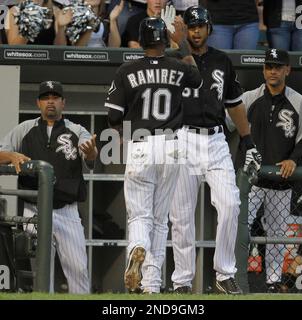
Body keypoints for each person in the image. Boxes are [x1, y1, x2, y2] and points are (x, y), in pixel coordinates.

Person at [155, 5, 261, 294]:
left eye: (200, 26)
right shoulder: (172, 58)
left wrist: (248, 139)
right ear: (185, 30)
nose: (196, 31)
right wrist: (175, 42)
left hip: (215, 140)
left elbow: (235, 103)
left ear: (209, 28)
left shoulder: (222, 61)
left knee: (230, 205)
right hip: (183, 138)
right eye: (191, 26)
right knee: (181, 215)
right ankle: (182, 281)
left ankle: (224, 273)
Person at [104, 16, 202, 294]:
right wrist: (181, 43)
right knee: (160, 220)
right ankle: (151, 284)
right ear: (162, 40)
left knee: (139, 217)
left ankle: (138, 248)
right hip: (171, 145)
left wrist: (126, 134)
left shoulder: (127, 69)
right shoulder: (177, 65)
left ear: (142, 40)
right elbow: (197, 79)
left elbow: (113, 115)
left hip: (141, 143)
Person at [0, 80, 98, 293]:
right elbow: (0, 155)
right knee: (42, 275)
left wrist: (91, 152)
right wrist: (11, 155)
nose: (50, 102)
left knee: (79, 270)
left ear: (64, 103)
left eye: (55, 98)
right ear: (38, 103)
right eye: (46, 98)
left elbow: (89, 156)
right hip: (34, 211)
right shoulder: (24, 129)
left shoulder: (76, 129)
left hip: (67, 211)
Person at [238, 49, 302, 292]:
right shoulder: (249, 98)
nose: (273, 71)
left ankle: (274, 282)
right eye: (269, 66)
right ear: (263, 69)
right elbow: (230, 121)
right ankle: (234, 278)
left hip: (281, 179)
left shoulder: (299, 102)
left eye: (278, 66)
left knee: (277, 234)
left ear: (288, 69)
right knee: (239, 227)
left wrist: (293, 159)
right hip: (252, 180)